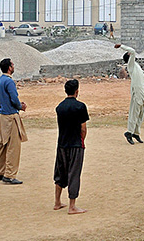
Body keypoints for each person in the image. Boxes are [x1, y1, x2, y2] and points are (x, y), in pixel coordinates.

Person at [54, 79, 89, 214]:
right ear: (77, 91)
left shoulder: (60, 107)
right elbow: (83, 128)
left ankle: (57, 202)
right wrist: (82, 141)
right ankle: (72, 206)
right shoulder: (80, 107)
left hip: (62, 144)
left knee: (60, 172)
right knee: (74, 173)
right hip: (75, 144)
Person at [0, 58, 28, 185]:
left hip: (2, 115)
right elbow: (14, 99)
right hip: (10, 116)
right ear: (9, 68)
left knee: (2, 144)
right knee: (13, 146)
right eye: (12, 65)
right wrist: (20, 106)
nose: (14, 66)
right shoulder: (9, 82)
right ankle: (9, 175)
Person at [115, 44, 144, 145]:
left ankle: (136, 132)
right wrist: (121, 46)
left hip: (143, 91)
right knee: (134, 114)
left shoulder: (137, 66)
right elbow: (133, 51)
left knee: (140, 115)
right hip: (138, 92)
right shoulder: (130, 65)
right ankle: (129, 132)